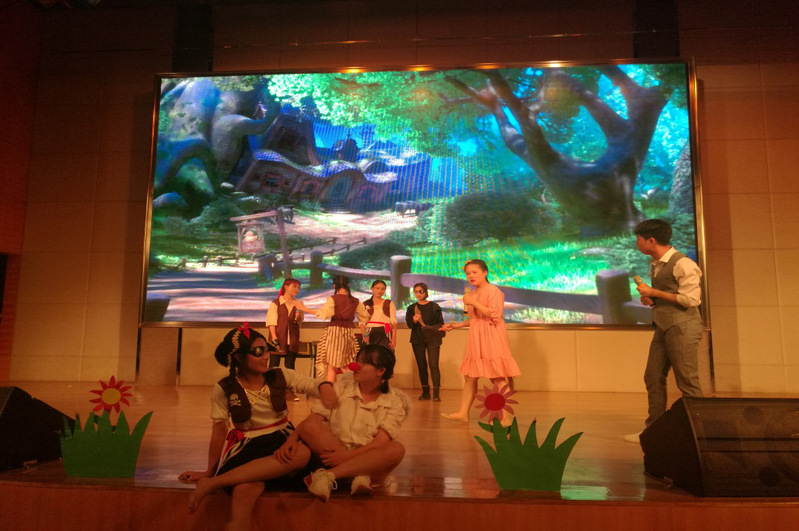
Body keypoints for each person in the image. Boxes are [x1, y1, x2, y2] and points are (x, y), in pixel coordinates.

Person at [178, 323, 337, 530]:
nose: (265, 357)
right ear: (238, 356)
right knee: (245, 487)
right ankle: (237, 524)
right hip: (248, 446)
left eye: (266, 350)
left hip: (282, 440)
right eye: (258, 352)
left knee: (301, 454)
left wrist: (325, 386)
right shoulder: (224, 387)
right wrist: (209, 470)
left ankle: (214, 483)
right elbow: (219, 431)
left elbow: (311, 384)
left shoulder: (280, 375)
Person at [293, 344, 409, 502]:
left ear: (380, 371)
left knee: (396, 449)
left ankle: (328, 476)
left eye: (364, 363)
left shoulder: (394, 402)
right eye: (357, 360)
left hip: (367, 463)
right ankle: (357, 476)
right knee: (310, 425)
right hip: (333, 455)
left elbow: (380, 442)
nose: (355, 366)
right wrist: (292, 438)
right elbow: (313, 421)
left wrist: (346, 457)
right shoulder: (341, 388)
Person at [625, 219, 703, 442]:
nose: (637, 244)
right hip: (663, 326)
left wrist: (655, 293)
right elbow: (667, 295)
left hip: (683, 326)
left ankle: (700, 432)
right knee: (653, 376)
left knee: (687, 381)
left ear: (651, 240)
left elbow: (691, 300)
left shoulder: (683, 264)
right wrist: (651, 299)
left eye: (639, 239)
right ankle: (654, 432)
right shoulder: (656, 263)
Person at [440, 259, 521, 422]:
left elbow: (494, 314)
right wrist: (455, 326)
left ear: (485, 272)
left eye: (474, 272)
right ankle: (463, 413)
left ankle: (505, 417)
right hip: (477, 337)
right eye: (468, 273)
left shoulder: (493, 291)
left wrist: (473, 302)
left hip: (492, 335)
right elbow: (475, 319)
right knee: (470, 376)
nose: (471, 276)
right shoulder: (472, 294)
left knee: (497, 376)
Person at [314, 275, 370, 382]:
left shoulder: (333, 299)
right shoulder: (355, 301)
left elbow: (325, 314)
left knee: (332, 366)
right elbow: (365, 317)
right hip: (348, 332)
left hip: (334, 332)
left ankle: (331, 389)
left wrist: (304, 308)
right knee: (346, 364)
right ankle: (349, 388)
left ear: (334, 286)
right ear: (348, 285)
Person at [405, 282, 445, 401]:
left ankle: (436, 393)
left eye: (421, 291)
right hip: (417, 339)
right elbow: (409, 325)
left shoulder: (434, 306)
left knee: (434, 365)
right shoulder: (412, 308)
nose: (418, 294)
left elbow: (440, 323)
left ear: (426, 291)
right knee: (421, 365)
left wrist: (429, 326)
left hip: (433, 338)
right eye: (416, 292)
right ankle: (425, 392)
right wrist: (414, 320)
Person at [361, 280, 397, 351]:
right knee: (370, 354)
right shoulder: (365, 304)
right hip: (369, 332)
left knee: (386, 354)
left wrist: (394, 338)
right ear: (372, 289)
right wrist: (364, 335)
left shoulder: (389, 303)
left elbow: (393, 322)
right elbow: (362, 322)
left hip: (385, 332)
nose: (380, 291)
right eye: (377, 288)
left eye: (382, 289)